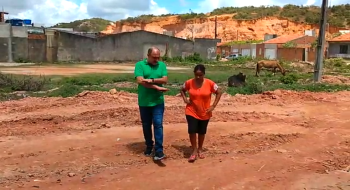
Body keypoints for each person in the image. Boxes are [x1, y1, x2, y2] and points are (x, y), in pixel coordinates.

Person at [180, 64, 223, 162]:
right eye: (196, 75)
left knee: (202, 131)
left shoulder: (210, 83)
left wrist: (213, 106)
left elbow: (219, 92)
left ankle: (200, 149)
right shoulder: (189, 82)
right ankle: (194, 151)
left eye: (200, 75)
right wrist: (185, 99)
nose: (198, 77)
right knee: (192, 130)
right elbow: (182, 90)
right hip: (191, 110)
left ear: (204, 74)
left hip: (205, 112)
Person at [134, 47, 169, 161]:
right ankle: (149, 146)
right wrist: (156, 87)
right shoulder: (140, 65)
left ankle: (159, 150)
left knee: (158, 124)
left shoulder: (161, 65)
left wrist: (152, 80)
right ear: (148, 56)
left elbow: (164, 79)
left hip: (158, 101)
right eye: (154, 57)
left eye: (158, 57)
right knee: (146, 125)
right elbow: (140, 81)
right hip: (144, 101)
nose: (156, 59)